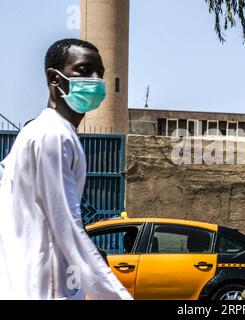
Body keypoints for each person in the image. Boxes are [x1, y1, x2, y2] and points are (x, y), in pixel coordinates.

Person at [0, 39, 132, 300]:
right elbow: (67, 228)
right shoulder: (54, 136)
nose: (95, 80)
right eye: (84, 71)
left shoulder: (37, 132)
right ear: (55, 79)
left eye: (100, 74)